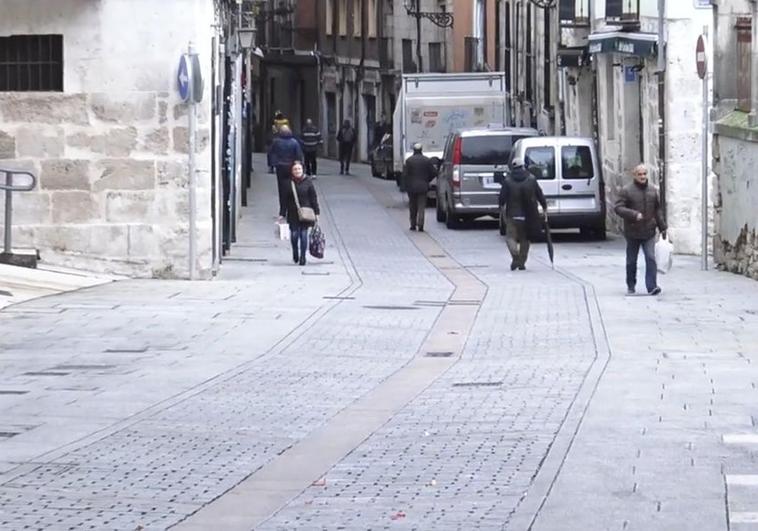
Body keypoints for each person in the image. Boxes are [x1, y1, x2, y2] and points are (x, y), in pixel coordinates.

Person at [614, 163, 667, 295]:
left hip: (649, 231)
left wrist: (663, 227)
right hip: (632, 231)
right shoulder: (626, 190)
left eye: (644, 174)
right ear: (634, 175)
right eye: (640, 174)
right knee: (631, 261)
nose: (643, 177)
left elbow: (657, 210)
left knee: (650, 258)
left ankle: (652, 286)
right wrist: (633, 214)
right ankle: (631, 285)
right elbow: (618, 208)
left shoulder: (652, 190)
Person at [498, 157, 548, 271]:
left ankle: (515, 256)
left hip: (512, 215)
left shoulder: (507, 181)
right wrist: (544, 207)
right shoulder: (531, 179)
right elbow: (539, 194)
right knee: (525, 239)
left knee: (510, 238)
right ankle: (521, 262)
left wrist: (501, 208)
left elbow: (502, 199)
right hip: (527, 215)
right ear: (523, 166)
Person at [284, 161, 320, 266]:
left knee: (304, 234)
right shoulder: (288, 183)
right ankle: (295, 250)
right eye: (295, 169)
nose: (297, 171)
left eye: (299, 169)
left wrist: (317, 212)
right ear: (292, 171)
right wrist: (282, 213)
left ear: (302, 169)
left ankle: (303, 256)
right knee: (294, 235)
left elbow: (313, 197)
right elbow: (284, 199)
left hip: (306, 212)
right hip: (292, 212)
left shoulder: (308, 181)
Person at [269, 125, 304, 218]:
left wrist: (273, 165)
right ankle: (291, 210)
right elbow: (299, 156)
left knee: (281, 189)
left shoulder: (276, 142)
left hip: (280, 168)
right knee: (292, 189)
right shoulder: (294, 143)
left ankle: (282, 211)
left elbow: (271, 153)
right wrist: (300, 167)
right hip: (291, 168)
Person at [403, 143, 437, 232]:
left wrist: (405, 186)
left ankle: (413, 225)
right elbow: (434, 172)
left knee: (412, 206)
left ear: (414, 150)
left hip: (412, 187)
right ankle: (421, 225)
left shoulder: (409, 161)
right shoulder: (426, 160)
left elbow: (405, 175)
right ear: (421, 150)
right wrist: (427, 180)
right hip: (423, 187)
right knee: (421, 206)